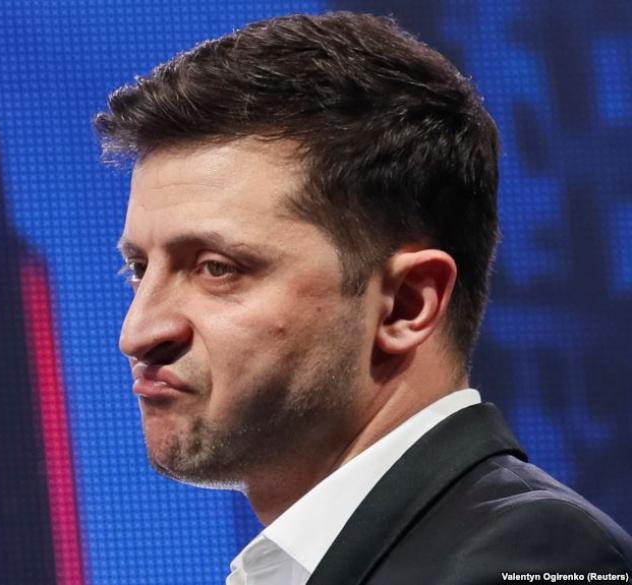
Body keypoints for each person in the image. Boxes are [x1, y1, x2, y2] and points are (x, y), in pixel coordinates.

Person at [94, 11, 632, 584]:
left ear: (406, 305)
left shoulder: (536, 558)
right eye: (139, 268)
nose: (138, 333)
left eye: (216, 269)